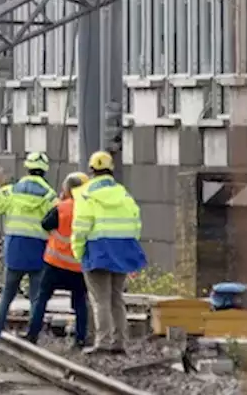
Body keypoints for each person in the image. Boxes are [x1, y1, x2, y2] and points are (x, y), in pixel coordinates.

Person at [0, 152, 57, 355]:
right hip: (38, 252)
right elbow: (55, 221)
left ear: (27, 168)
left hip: (14, 250)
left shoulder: (12, 191)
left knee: (6, 297)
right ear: (45, 171)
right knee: (36, 298)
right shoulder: (50, 195)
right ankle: (32, 342)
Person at [72, 151, 146, 355]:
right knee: (116, 298)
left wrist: (78, 252)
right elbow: (136, 222)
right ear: (111, 170)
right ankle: (120, 342)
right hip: (122, 250)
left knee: (100, 300)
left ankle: (102, 342)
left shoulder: (85, 193)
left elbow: (81, 227)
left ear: (91, 170)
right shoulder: (123, 193)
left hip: (97, 249)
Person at [25, 172, 91, 349]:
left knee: (42, 299)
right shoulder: (89, 209)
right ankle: (81, 339)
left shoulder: (62, 207)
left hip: (55, 263)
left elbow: (45, 224)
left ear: (68, 189)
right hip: (78, 266)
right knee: (80, 303)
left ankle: (32, 334)